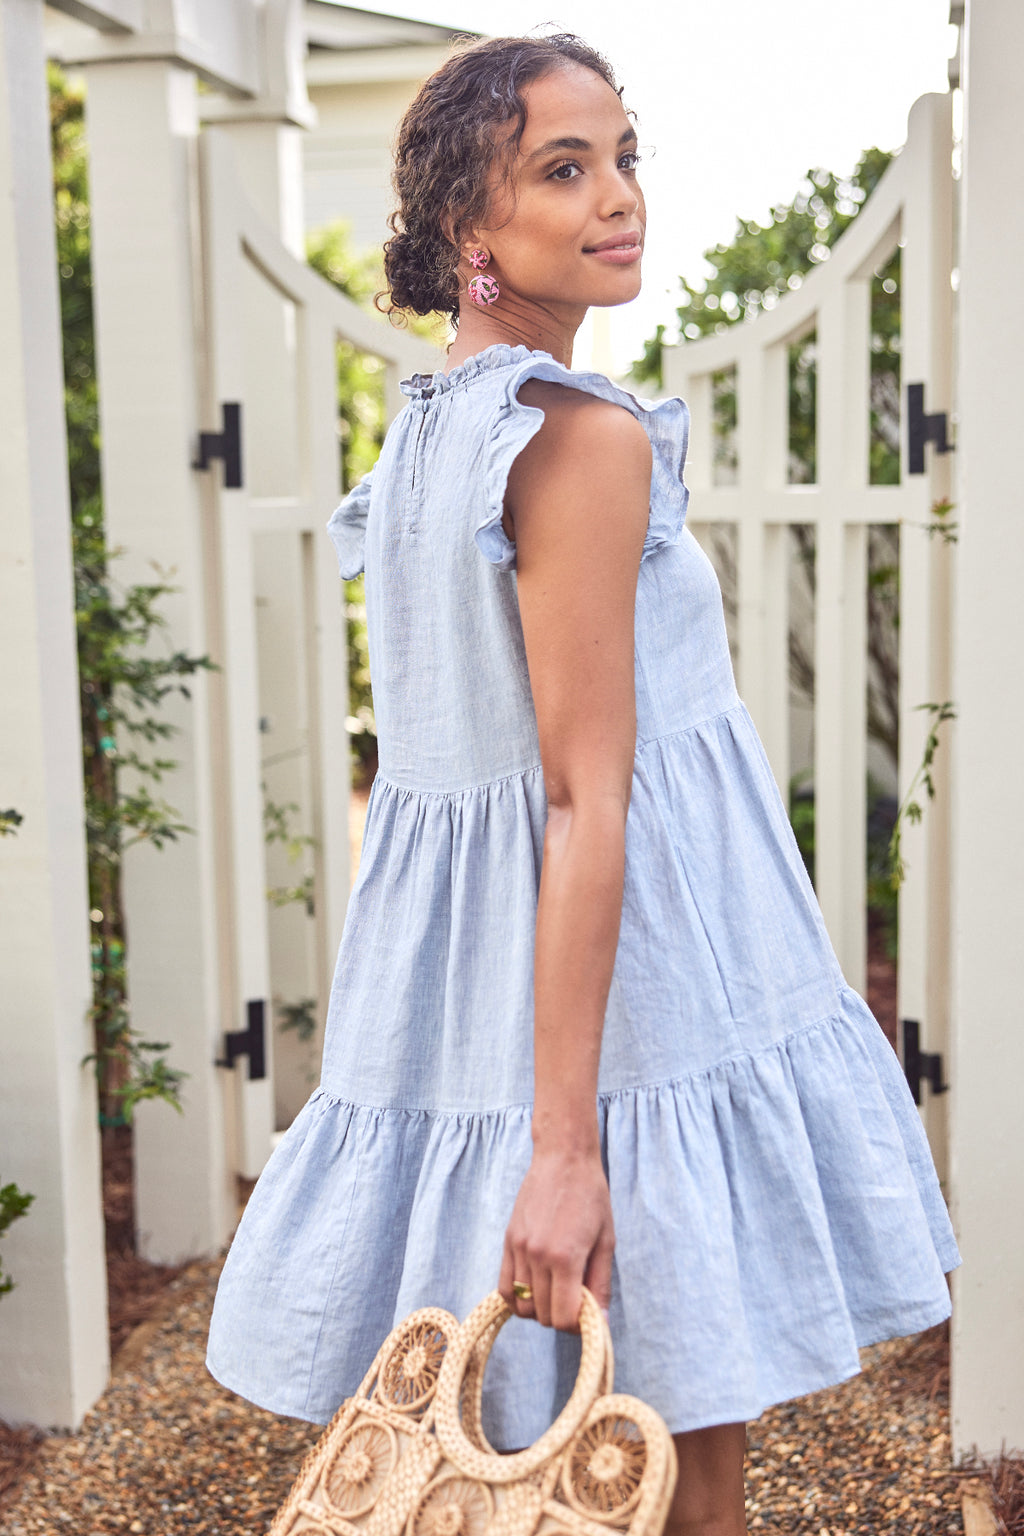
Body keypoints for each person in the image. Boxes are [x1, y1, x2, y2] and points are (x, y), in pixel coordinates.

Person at [206, 33, 959, 1536]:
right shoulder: (580, 441)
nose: (617, 197)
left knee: (538, 1483)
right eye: (565, 168)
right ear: (467, 233)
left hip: (482, 1007)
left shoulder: (426, 434)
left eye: (625, 156)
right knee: (674, 1490)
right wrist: (567, 1152)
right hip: (628, 1021)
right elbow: (578, 798)